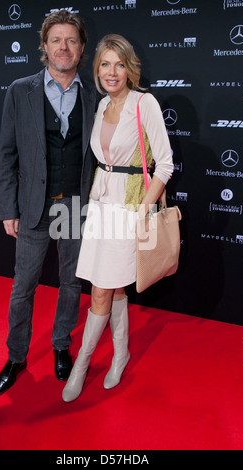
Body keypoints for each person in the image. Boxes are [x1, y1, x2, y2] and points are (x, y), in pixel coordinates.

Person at [62, 34, 174, 402]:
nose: (112, 72)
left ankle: (81, 366)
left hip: (128, 211)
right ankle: (122, 353)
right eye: (105, 64)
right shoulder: (101, 107)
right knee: (114, 286)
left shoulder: (145, 104)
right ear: (97, 70)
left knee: (100, 291)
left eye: (119, 64)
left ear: (130, 68)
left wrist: (143, 208)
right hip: (100, 208)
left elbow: (166, 164)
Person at [0, 11, 99, 395]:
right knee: (24, 287)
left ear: (82, 48)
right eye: (56, 40)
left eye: (71, 40)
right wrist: (9, 209)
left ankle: (60, 346)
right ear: (44, 46)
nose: (64, 47)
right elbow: (6, 155)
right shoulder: (20, 90)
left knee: (71, 284)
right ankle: (16, 355)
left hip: (74, 206)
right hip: (34, 207)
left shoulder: (93, 95)